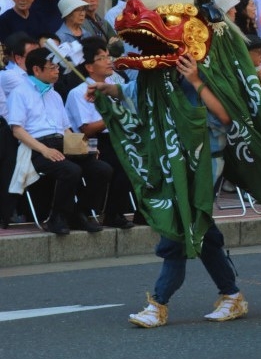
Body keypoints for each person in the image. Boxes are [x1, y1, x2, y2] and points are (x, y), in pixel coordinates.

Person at [90, 52, 248, 327]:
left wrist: (195, 79)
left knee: (177, 228)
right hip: (171, 160)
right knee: (200, 228)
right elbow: (134, 91)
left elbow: (225, 115)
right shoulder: (158, 70)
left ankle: (159, 302)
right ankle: (231, 293)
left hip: (204, 163)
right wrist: (108, 89)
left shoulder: (208, 66)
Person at [7, 47, 112, 235]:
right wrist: (44, 150)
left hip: (61, 143)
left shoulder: (54, 95)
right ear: (37, 70)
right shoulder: (20, 92)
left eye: (57, 67)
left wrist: (82, 146)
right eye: (52, 67)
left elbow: (65, 128)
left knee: (102, 169)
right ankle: (57, 217)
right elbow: (17, 130)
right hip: (36, 147)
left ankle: (79, 213)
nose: (57, 71)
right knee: (71, 170)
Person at [64, 37, 135, 229]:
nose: (108, 61)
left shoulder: (113, 86)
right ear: (89, 67)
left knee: (135, 160)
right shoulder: (79, 92)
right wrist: (112, 115)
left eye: (108, 56)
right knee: (113, 164)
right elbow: (86, 129)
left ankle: (115, 213)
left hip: (115, 137)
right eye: (102, 58)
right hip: (91, 142)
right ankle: (84, 211)